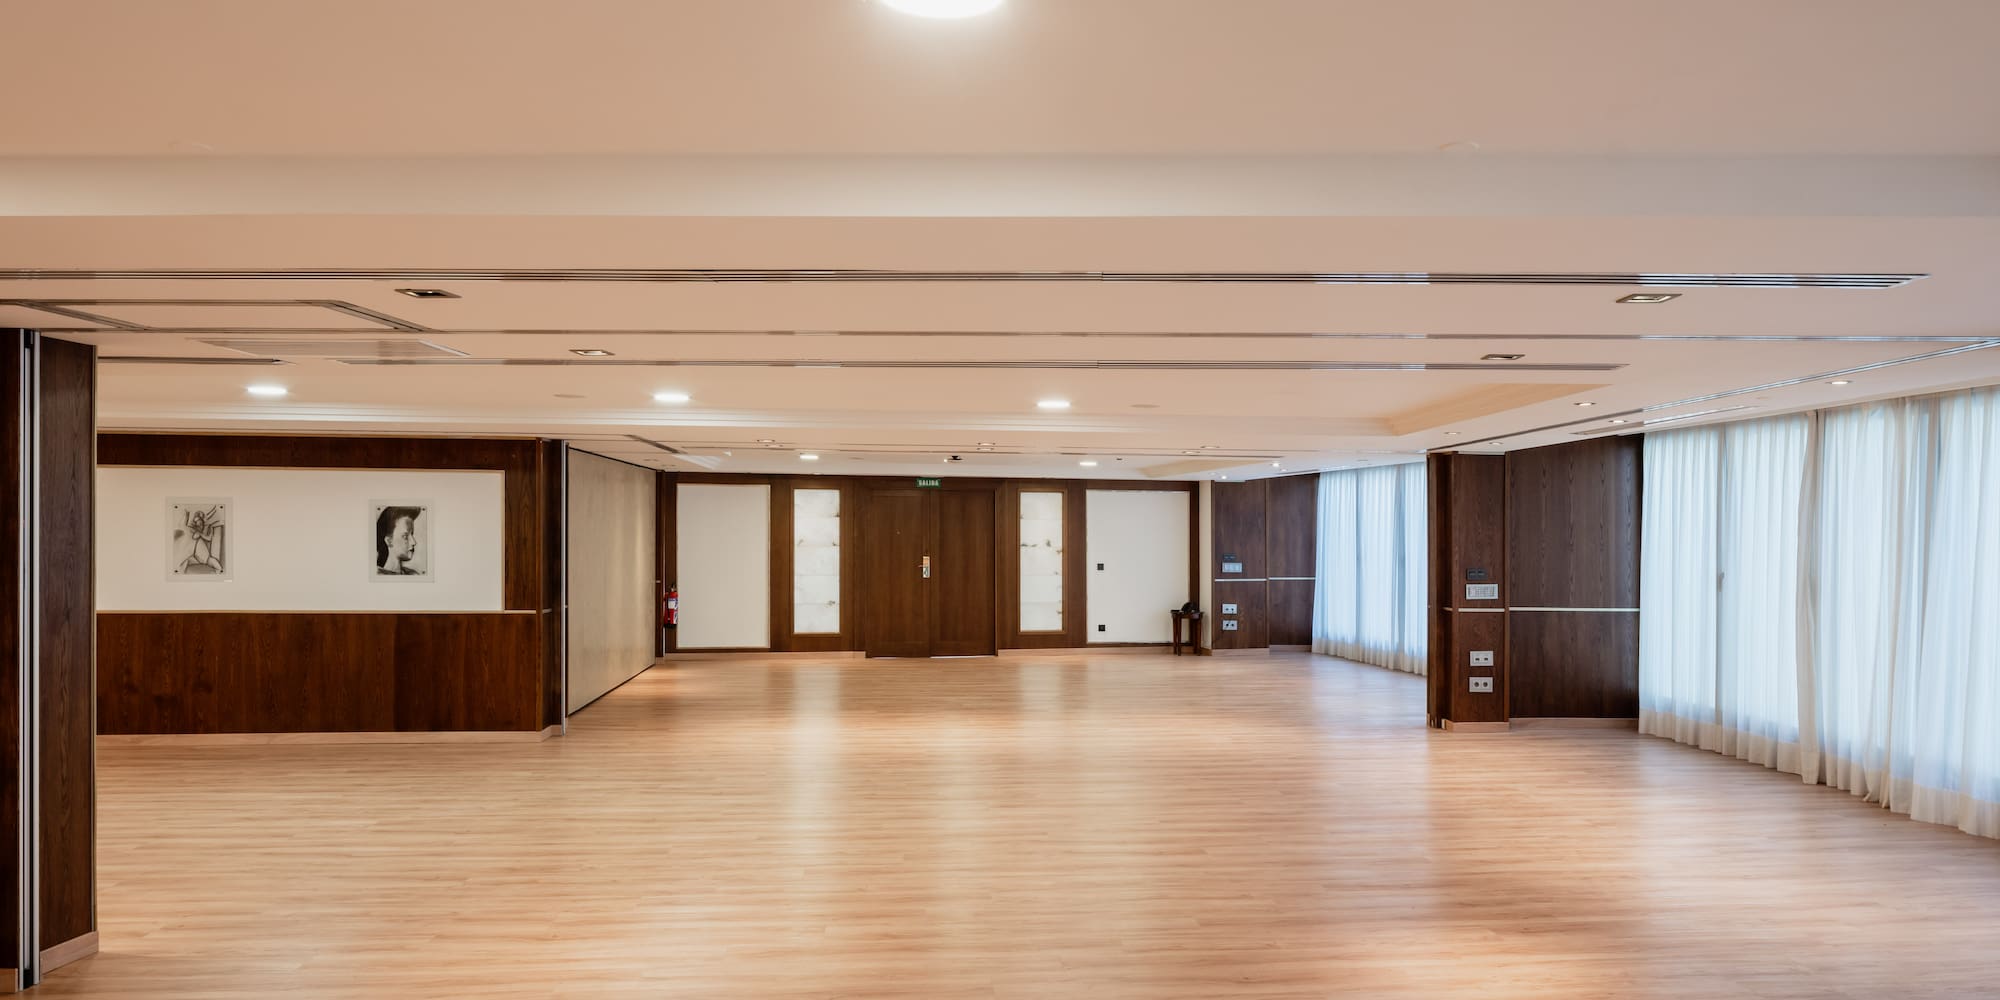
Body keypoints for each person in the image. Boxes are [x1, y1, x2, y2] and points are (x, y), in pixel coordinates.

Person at [375, 506, 425, 575]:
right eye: (405, 536)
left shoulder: (413, 574)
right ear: (389, 541)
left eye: (412, 534)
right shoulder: (378, 575)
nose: (414, 542)